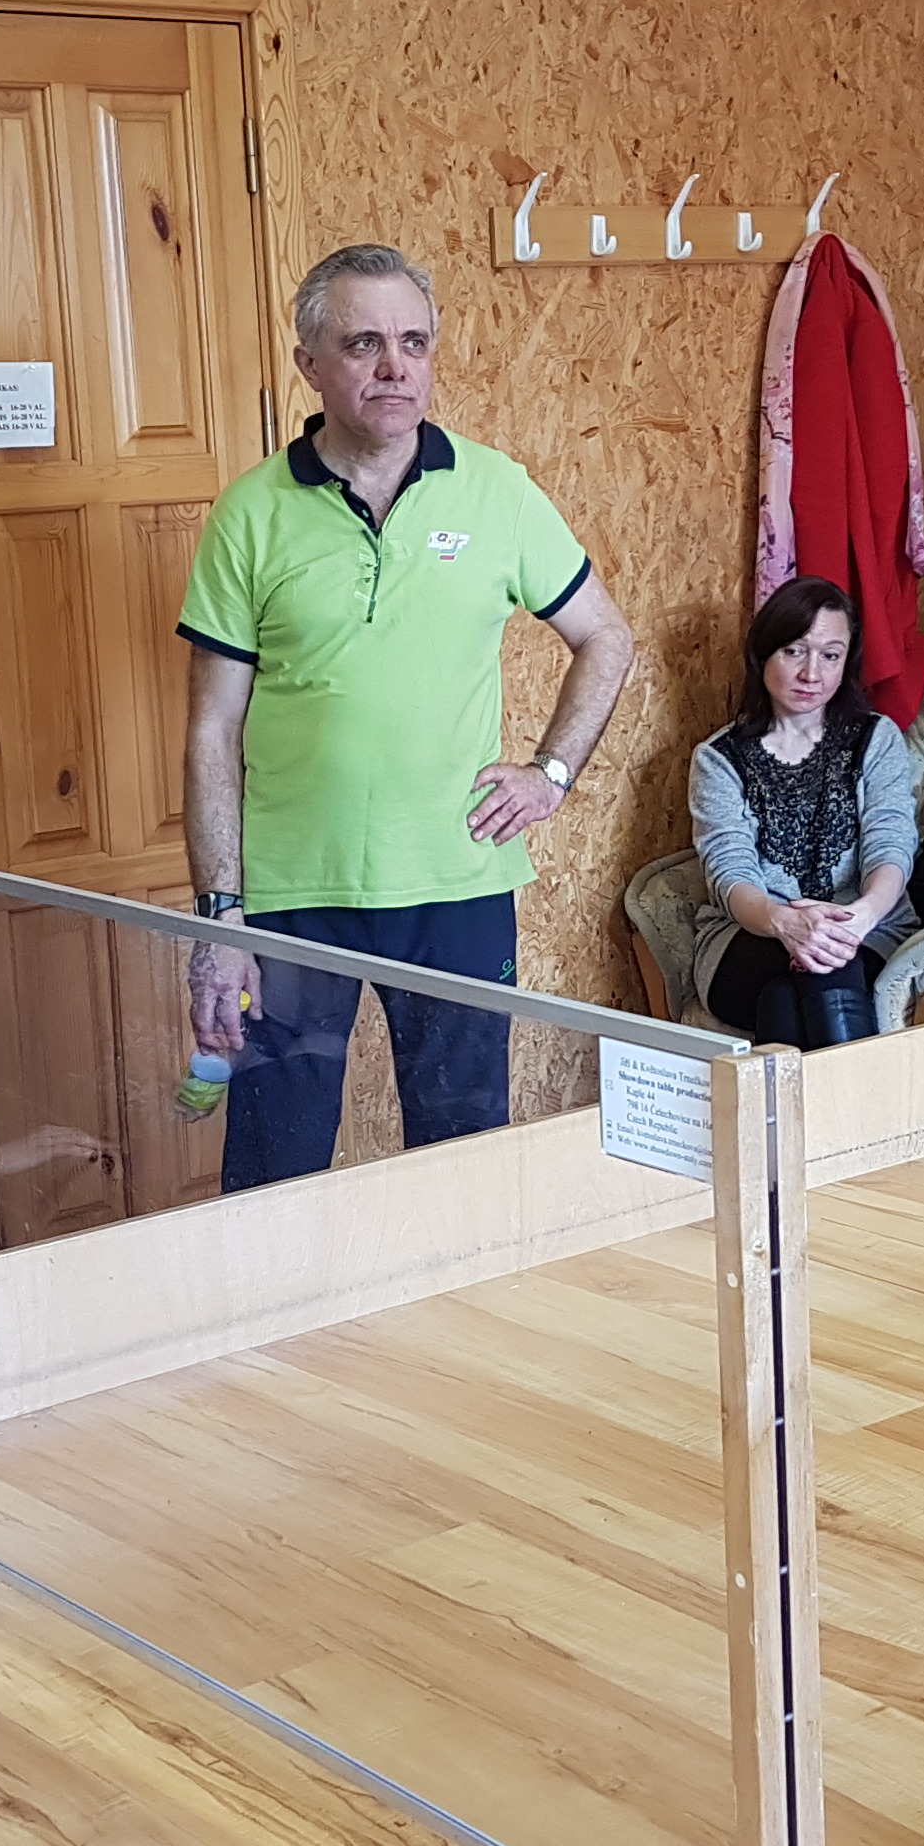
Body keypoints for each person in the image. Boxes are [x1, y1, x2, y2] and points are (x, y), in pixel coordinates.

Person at [179, 244, 635, 1191]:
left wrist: (550, 774)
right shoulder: (250, 514)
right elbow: (212, 729)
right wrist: (220, 918)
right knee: (273, 1168)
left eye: (414, 342)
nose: (394, 366)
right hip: (293, 896)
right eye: (364, 344)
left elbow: (605, 637)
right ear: (309, 364)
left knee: (464, 1163)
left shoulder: (498, 491)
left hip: (456, 884)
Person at [686, 577, 920, 1048]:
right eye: (794, 651)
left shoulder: (876, 738)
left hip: (867, 929)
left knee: (792, 992)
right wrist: (785, 923)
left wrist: (860, 915)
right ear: (763, 655)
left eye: (830, 655)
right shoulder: (718, 758)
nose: (812, 674)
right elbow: (730, 871)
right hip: (749, 935)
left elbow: (891, 840)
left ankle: (795, 1101)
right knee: (820, 969)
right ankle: (857, 1098)